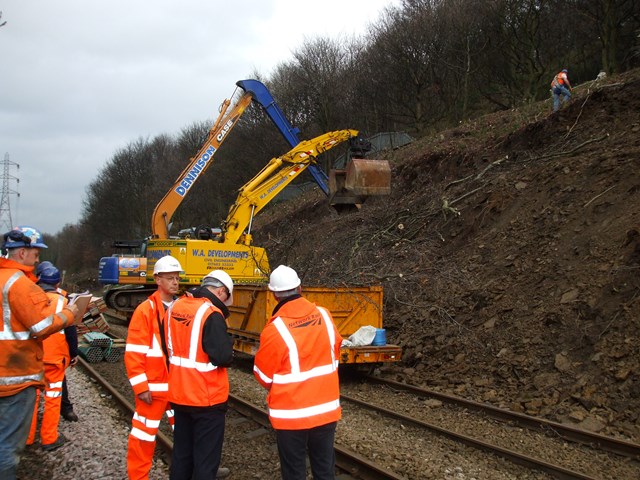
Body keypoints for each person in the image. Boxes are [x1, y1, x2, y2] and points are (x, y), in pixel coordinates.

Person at [0, 226, 79, 479]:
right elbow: (41, 326)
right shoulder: (19, 284)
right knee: (8, 447)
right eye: (35, 251)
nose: (38, 256)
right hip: (14, 377)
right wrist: (69, 314)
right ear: (21, 252)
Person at [253, 265, 342, 480]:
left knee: (294, 472)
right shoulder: (324, 315)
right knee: (324, 468)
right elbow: (336, 352)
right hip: (325, 410)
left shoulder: (275, 329)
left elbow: (263, 376)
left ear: (274, 295)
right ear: (300, 288)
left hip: (291, 416)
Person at [165, 270, 234, 480]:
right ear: (221, 291)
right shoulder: (211, 314)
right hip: (207, 399)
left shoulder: (175, 306)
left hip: (179, 394)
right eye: (225, 298)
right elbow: (222, 357)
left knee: (182, 454)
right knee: (206, 461)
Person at [125, 255, 183, 480]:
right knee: (144, 435)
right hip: (154, 388)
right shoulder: (145, 310)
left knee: (185, 434)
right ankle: (138, 476)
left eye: (177, 278)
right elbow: (134, 352)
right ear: (158, 280)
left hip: (178, 386)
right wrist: (141, 386)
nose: (175, 283)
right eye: (170, 278)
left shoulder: (181, 308)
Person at [26, 261, 78, 451]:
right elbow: (71, 333)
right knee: (53, 397)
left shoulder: (29, 299)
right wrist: (73, 354)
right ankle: (49, 438)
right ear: (58, 284)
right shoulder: (64, 302)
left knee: (32, 398)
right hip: (56, 359)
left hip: (34, 357)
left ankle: (27, 438)